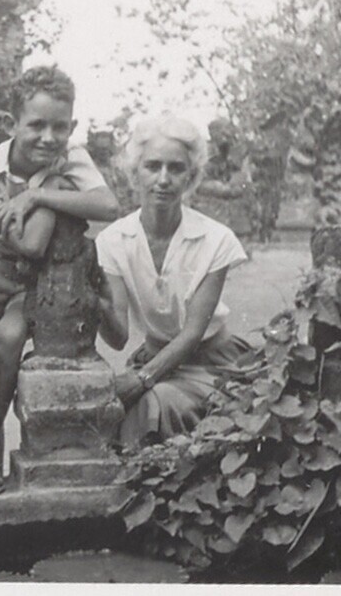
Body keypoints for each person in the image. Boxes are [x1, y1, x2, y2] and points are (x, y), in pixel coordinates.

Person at [0, 66, 120, 493]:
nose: (49, 138)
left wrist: (39, 193)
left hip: (39, 279)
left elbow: (108, 207)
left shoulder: (71, 158)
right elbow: (23, 245)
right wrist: (60, 191)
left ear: (72, 126)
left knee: (8, 340)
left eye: (59, 127)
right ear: (11, 124)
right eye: (36, 125)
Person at [95, 114, 252, 449]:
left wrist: (142, 379)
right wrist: (95, 297)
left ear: (191, 177)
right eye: (153, 166)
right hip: (154, 361)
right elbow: (118, 337)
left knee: (156, 403)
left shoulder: (215, 240)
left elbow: (193, 334)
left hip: (213, 363)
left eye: (176, 168)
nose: (163, 179)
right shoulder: (112, 241)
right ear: (135, 172)